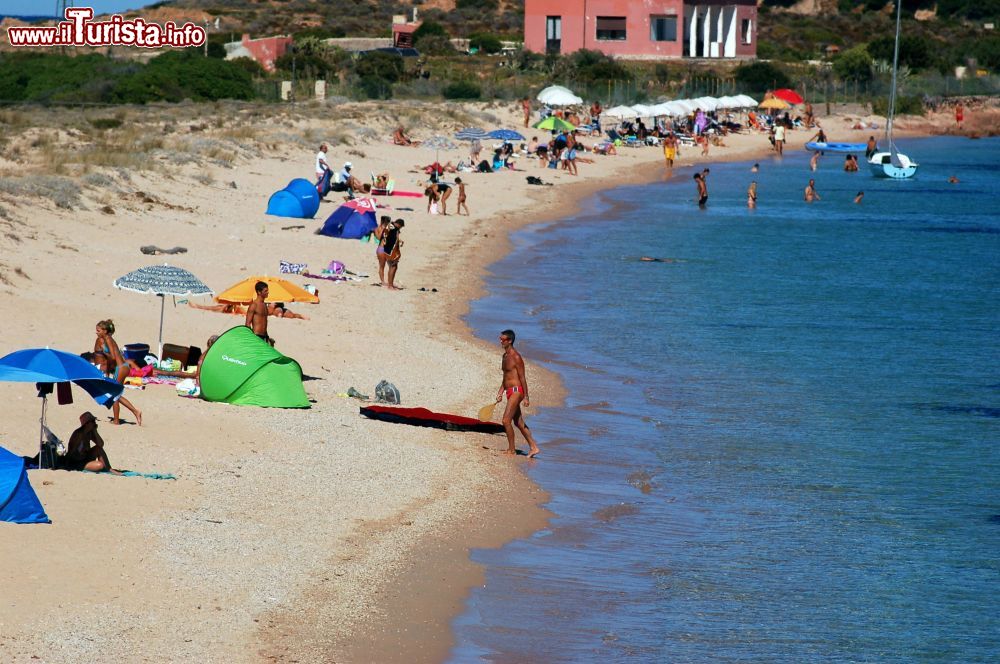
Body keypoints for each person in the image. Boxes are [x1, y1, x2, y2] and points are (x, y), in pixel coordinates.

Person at [495, 329, 540, 458]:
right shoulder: (505, 356)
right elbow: (506, 377)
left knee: (505, 420)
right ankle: (534, 447)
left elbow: (522, 378)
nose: (500, 341)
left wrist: (526, 396)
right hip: (509, 391)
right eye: (500, 339)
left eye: (502, 340)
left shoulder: (516, 357)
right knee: (518, 423)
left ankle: (511, 449)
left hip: (517, 391)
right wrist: (500, 392)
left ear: (509, 341)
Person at [94, 320, 142, 426]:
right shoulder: (107, 339)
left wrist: (104, 352)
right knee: (115, 394)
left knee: (114, 394)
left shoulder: (108, 339)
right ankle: (133, 412)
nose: (96, 332)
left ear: (105, 331)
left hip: (121, 368)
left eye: (98, 330)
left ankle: (119, 419)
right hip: (121, 367)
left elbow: (113, 357)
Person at [382, 219, 405, 290]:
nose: (400, 228)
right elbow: (387, 236)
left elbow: (387, 236)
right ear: (398, 224)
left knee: (392, 267)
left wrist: (399, 241)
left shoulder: (390, 226)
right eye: (401, 227)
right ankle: (390, 285)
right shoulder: (393, 227)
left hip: (387, 249)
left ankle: (390, 284)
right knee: (393, 267)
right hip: (391, 250)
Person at [375, 215, 391, 284]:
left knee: (391, 265)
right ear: (383, 221)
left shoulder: (389, 228)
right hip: (381, 249)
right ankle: (382, 281)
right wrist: (382, 230)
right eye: (387, 222)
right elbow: (378, 238)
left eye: (388, 222)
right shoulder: (377, 228)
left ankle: (389, 281)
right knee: (382, 265)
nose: (388, 223)